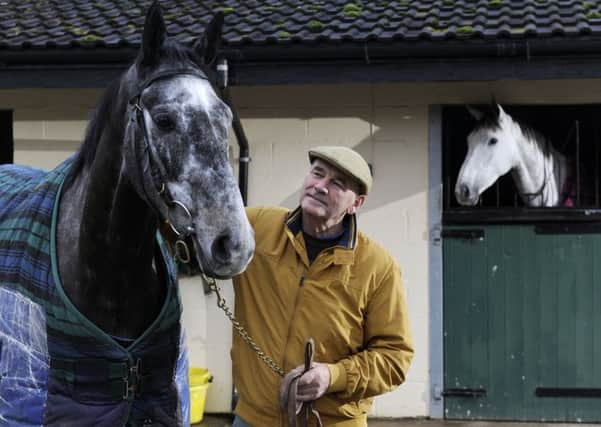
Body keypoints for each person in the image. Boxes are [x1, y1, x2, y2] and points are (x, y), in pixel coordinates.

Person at [231, 146, 414, 427]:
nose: (320, 186)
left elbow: (395, 358)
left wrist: (333, 376)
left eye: (337, 184)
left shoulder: (379, 268)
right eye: (317, 174)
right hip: (254, 419)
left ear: (356, 203)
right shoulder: (257, 226)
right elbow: (194, 232)